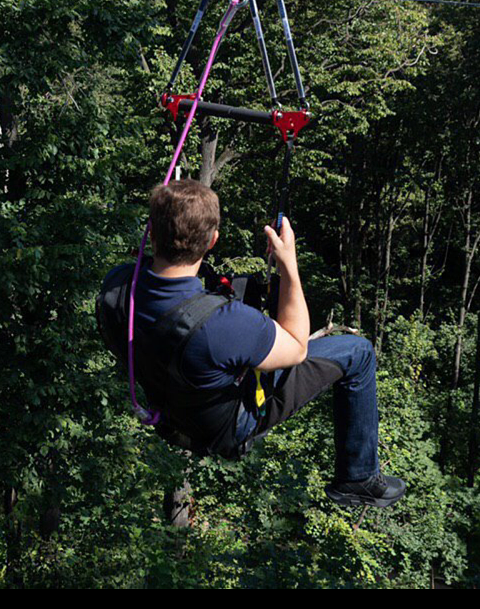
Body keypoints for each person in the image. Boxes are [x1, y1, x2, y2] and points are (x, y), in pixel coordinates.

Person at [98, 180, 406, 509]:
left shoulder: (117, 286)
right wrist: (289, 265)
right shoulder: (224, 324)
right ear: (213, 240)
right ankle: (357, 478)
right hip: (230, 426)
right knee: (358, 353)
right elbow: (297, 348)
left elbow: (160, 292)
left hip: (174, 412)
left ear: (151, 233)